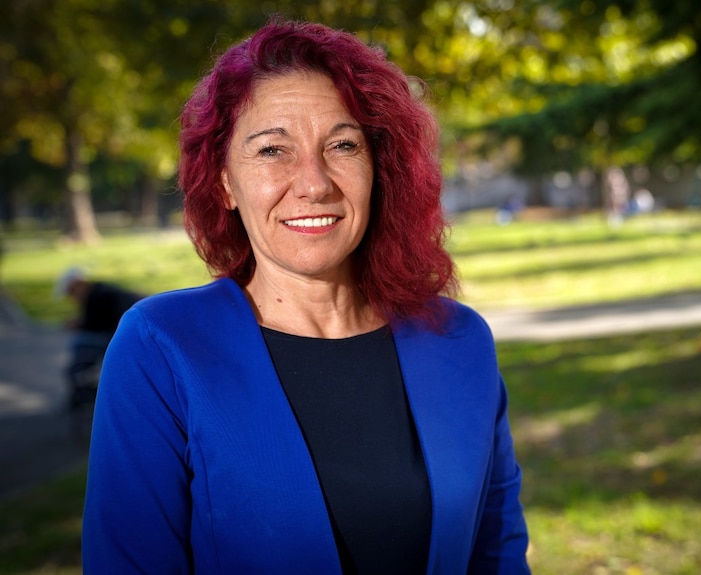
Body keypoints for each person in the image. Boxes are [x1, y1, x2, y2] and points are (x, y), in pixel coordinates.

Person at [82, 17, 531, 574]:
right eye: (273, 150)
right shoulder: (161, 347)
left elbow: (498, 556)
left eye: (342, 144)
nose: (315, 183)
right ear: (224, 181)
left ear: (378, 167)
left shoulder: (458, 339)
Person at [55, 267, 142, 408]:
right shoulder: (97, 291)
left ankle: (82, 385)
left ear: (78, 285)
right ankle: (83, 382)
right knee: (80, 343)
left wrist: (78, 325)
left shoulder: (98, 295)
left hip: (121, 336)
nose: (73, 298)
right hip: (121, 333)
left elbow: (97, 324)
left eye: (71, 292)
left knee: (79, 342)